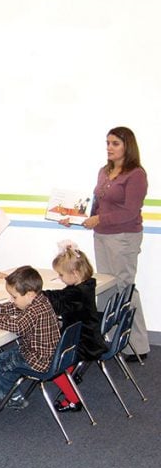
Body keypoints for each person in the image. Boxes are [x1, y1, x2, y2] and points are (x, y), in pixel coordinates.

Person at [80, 126, 149, 362]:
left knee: (124, 287)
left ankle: (137, 345)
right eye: (108, 143)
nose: (109, 147)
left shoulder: (136, 174)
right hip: (101, 235)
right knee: (107, 287)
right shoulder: (104, 171)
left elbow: (130, 212)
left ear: (127, 146)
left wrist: (99, 219)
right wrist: (81, 218)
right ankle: (109, 339)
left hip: (124, 237)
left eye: (115, 143)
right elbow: (98, 204)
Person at [0, 265, 60, 410]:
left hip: (39, 359)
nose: (11, 299)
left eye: (14, 296)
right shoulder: (40, 300)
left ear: (29, 294)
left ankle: (11, 398)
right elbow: (16, 307)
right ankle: (11, 392)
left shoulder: (34, 310)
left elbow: (17, 326)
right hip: (52, 355)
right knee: (6, 356)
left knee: (0, 363)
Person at [43, 241, 107, 413]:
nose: (59, 278)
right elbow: (62, 295)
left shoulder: (77, 293)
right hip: (88, 338)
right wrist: (45, 294)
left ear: (75, 273)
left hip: (82, 343)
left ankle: (73, 401)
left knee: (53, 368)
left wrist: (37, 295)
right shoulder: (86, 285)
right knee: (60, 363)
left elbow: (59, 302)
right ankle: (70, 376)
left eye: (61, 275)